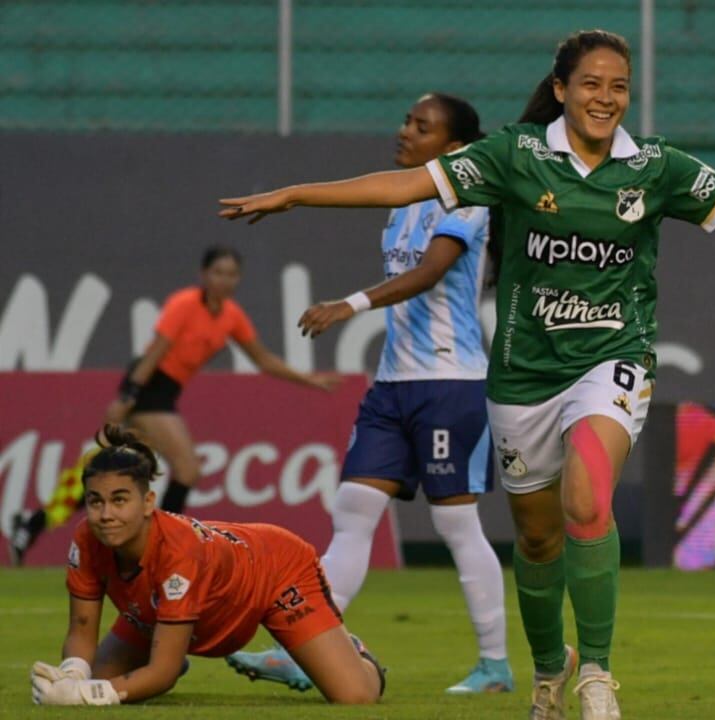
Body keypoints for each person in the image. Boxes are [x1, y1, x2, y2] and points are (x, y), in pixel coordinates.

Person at [218, 29, 715, 720]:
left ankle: (596, 671)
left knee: (588, 498)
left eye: (619, 86)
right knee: (536, 542)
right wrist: (295, 194)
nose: (606, 97)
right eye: (592, 84)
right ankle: (547, 670)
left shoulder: (655, 167)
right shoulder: (516, 154)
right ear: (562, 89)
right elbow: (404, 186)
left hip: (613, 357)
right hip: (523, 376)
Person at [224, 92, 513, 696]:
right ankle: (305, 650)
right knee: (353, 510)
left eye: (421, 126)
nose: (405, 131)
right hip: (393, 385)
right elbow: (363, 195)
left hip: (449, 382)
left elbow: (430, 272)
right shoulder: (403, 203)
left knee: (456, 524)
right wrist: (293, 195)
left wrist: (349, 305)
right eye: (407, 120)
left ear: (453, 148)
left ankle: (494, 666)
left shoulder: (470, 199)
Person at [8, 247, 337, 565]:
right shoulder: (184, 304)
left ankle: (32, 524)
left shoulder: (231, 315)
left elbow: (263, 360)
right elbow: (155, 352)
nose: (225, 280)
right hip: (148, 387)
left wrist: (309, 380)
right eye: (218, 272)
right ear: (204, 274)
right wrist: (126, 398)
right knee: (186, 469)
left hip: (165, 392)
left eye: (232, 274)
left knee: (106, 467)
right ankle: (161, 545)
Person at [28, 425, 386, 706]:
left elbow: (163, 674)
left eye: (119, 500)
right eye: (95, 502)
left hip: (273, 572)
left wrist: (85, 695)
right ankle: (162, 648)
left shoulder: (178, 553)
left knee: (355, 695)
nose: (106, 514)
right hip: (159, 610)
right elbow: (81, 630)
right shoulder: (86, 539)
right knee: (99, 677)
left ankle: (351, 648)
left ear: (148, 502)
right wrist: (72, 676)